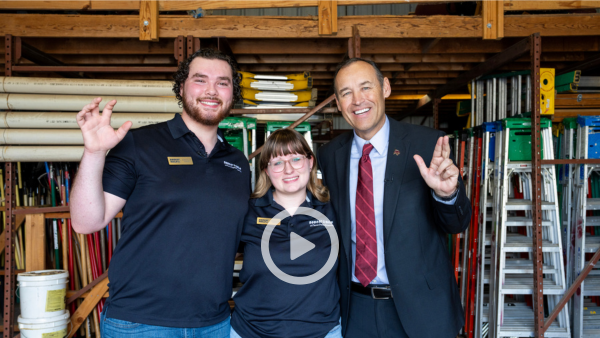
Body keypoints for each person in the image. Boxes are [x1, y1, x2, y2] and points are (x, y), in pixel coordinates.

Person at [70, 48, 251, 337]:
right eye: (200, 80)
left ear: (232, 93)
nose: (211, 90)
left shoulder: (238, 163)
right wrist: (93, 153)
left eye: (223, 82)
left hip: (214, 323)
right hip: (140, 323)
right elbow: (85, 221)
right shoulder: (139, 144)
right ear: (181, 87)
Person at [317, 58, 472, 338]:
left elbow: (457, 224)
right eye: (346, 93)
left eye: (366, 87)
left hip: (421, 311)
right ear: (338, 104)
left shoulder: (427, 144)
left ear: (385, 87)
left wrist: (447, 194)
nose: (357, 100)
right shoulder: (330, 156)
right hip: (355, 309)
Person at [230, 128, 341, 338]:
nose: (288, 169)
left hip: (323, 332)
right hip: (251, 332)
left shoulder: (332, 209)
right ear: (266, 170)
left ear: (310, 162)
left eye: (296, 159)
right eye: (278, 162)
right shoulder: (247, 211)